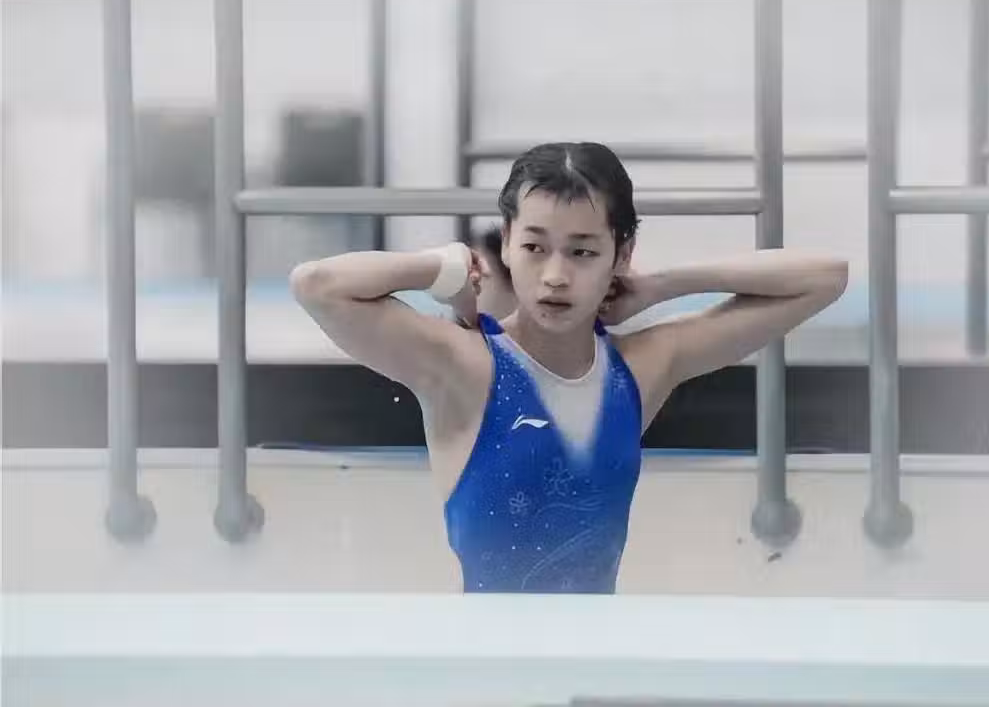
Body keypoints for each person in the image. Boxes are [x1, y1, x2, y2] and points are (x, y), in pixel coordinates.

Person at [290, 142, 848, 593]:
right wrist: (436, 267)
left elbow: (826, 277)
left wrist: (663, 285)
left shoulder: (642, 367)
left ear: (621, 255)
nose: (555, 276)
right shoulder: (465, 365)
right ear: (507, 242)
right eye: (535, 248)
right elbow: (317, 285)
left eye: (582, 252)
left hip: (594, 665)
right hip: (486, 668)